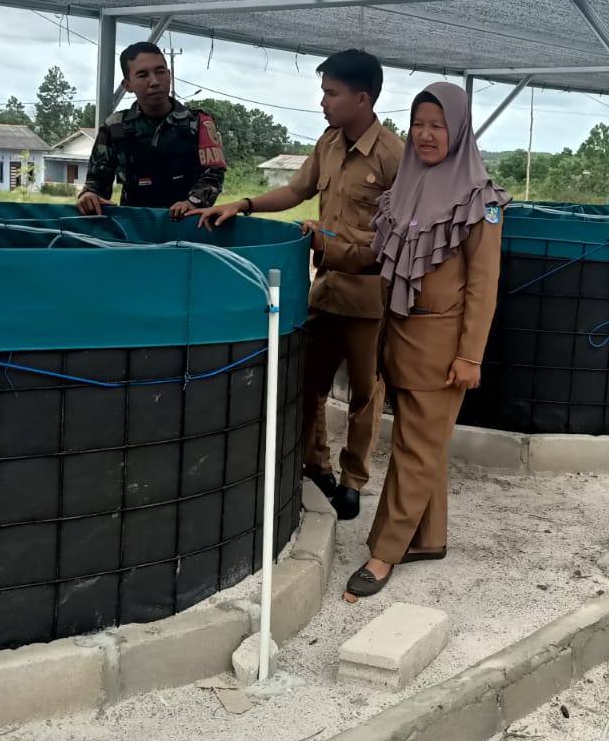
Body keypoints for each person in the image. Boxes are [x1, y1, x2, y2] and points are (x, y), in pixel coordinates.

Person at [190, 50, 403, 520]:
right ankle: (318, 465)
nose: (322, 102)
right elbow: (296, 191)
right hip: (325, 288)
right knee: (310, 384)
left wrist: (331, 239)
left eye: (331, 93)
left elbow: (401, 232)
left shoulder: (394, 155)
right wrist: (242, 205)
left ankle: (353, 480)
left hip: (370, 295)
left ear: (362, 98)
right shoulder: (328, 143)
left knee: (367, 393)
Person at [345, 81, 510, 599]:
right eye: (418, 124)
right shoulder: (405, 191)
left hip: (442, 349)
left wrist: (469, 355)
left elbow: (484, 285)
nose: (426, 135)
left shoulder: (481, 202)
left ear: (458, 129)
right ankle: (427, 539)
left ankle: (384, 552)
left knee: (414, 451)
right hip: (398, 337)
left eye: (438, 125)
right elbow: (379, 255)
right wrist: (325, 246)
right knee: (423, 446)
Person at [75, 41, 227, 219]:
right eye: (142, 75)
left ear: (169, 75)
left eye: (160, 72)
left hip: (187, 225)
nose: (154, 81)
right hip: (134, 228)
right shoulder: (115, 127)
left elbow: (213, 174)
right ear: (127, 85)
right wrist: (88, 196)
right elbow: (97, 180)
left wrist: (192, 202)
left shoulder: (198, 123)